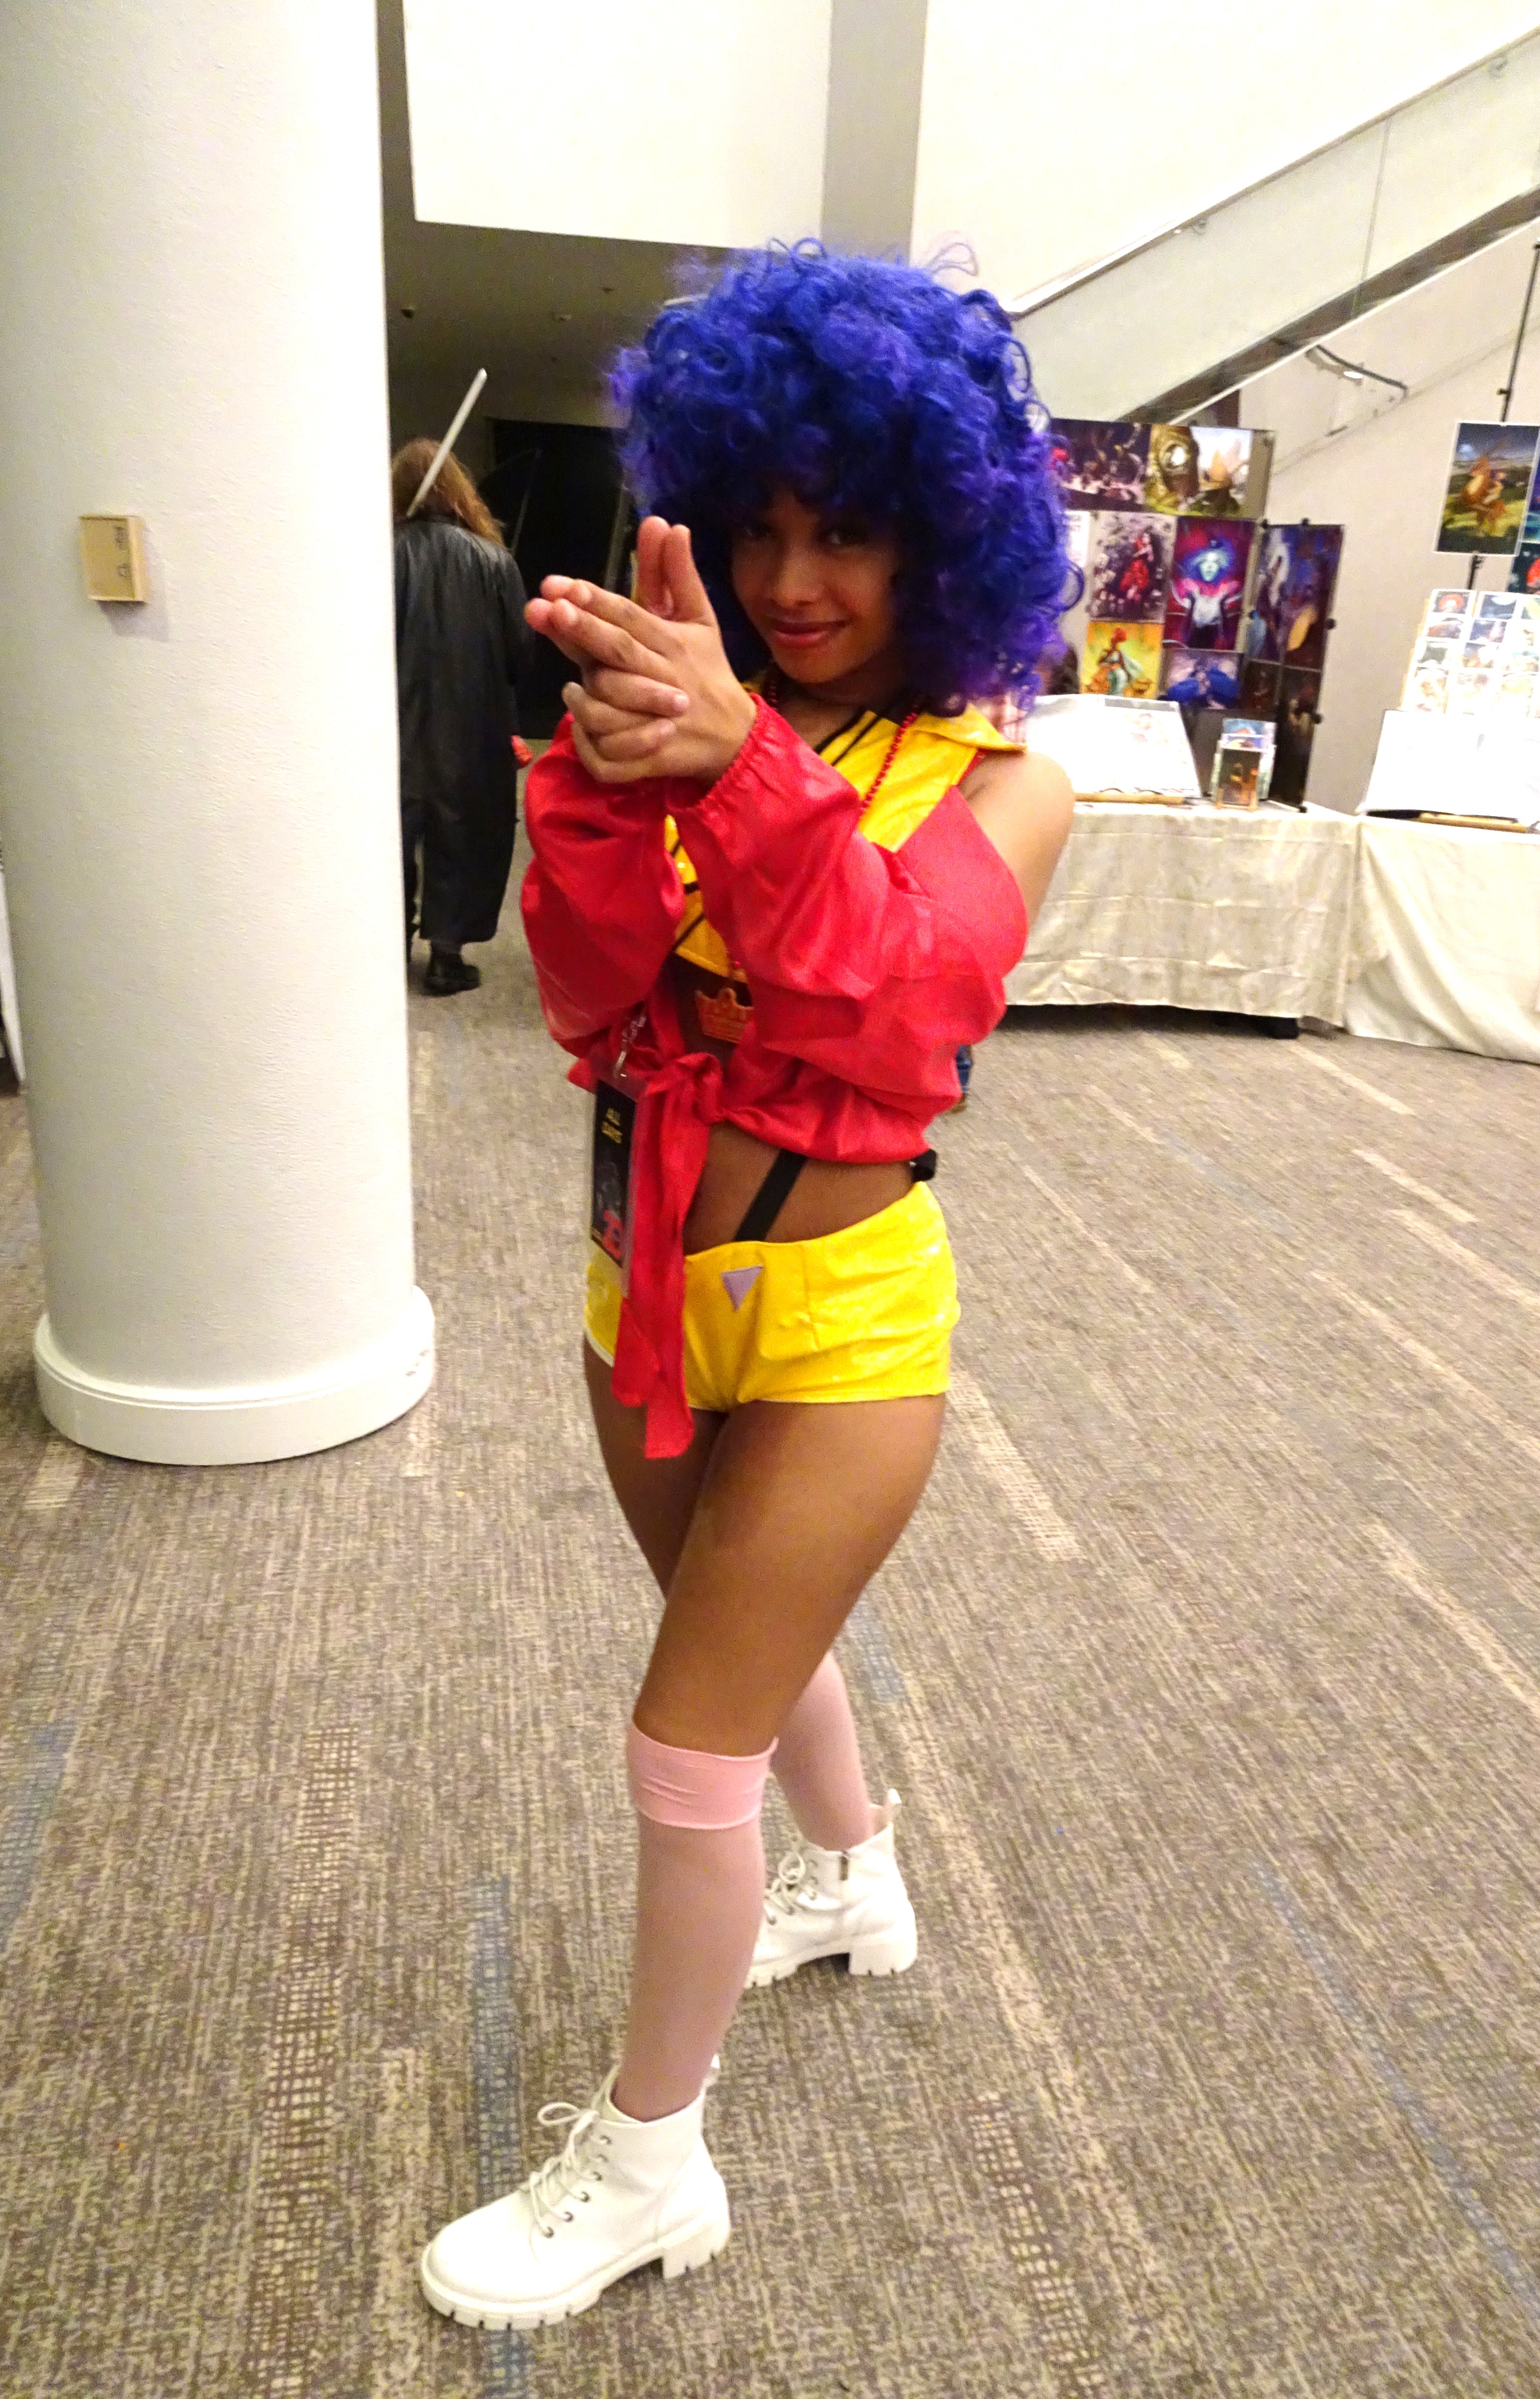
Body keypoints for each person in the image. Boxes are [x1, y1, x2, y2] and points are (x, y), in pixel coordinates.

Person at [418, 245, 1075, 2332]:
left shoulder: (1001, 781)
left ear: (941, 538)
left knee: (680, 1744)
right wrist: (611, 795)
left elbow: (892, 1000)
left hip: (844, 1317)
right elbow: (586, 995)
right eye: (761, 525)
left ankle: (647, 2165)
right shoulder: (695, 722)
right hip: (639, 1279)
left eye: (849, 529)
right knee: (739, 1628)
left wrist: (734, 774)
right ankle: (853, 1875)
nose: (794, 582)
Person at [391, 439, 529, 994]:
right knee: (464, 833)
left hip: (390, 725)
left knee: (390, 835)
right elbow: (520, 655)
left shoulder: (375, 556)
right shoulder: (494, 563)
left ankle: (386, 948)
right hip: (472, 726)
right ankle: (446, 957)